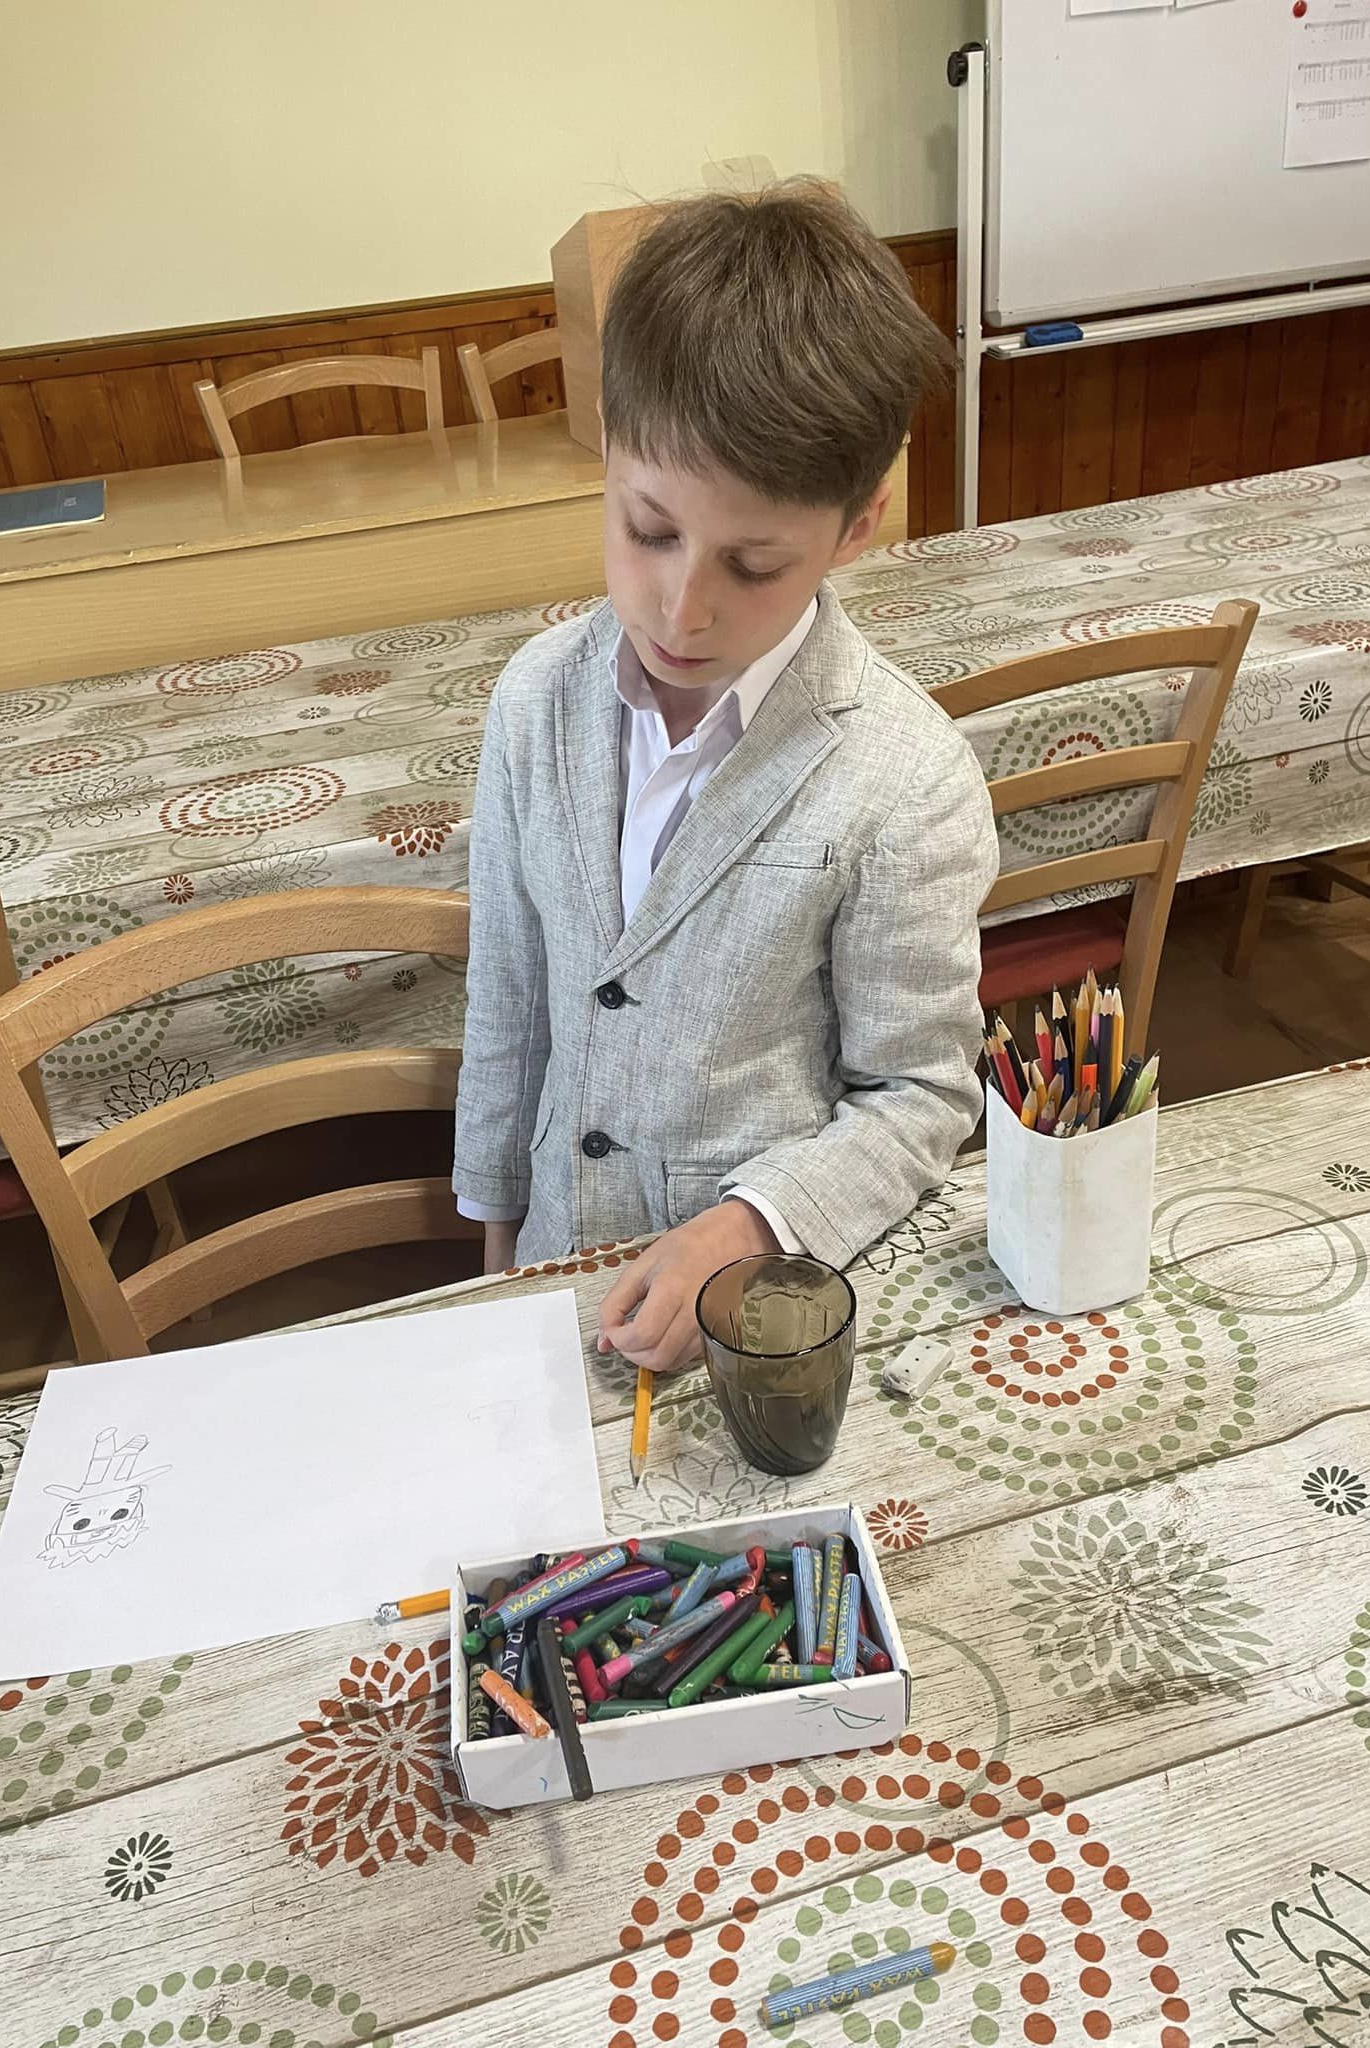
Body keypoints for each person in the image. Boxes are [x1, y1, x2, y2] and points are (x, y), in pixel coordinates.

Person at [453, 179, 999, 1374]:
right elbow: (510, 1000)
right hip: (552, 1278)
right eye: (648, 530)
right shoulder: (535, 703)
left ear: (857, 527)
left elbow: (919, 1093)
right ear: (608, 452)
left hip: (764, 1317)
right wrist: (495, 1262)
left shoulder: (905, 778)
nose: (681, 608)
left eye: (753, 564)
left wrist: (756, 1224)